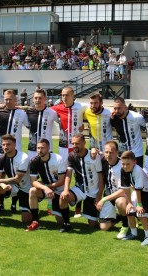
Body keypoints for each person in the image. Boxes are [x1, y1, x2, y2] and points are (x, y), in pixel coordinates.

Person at [0, 134, 31, 228]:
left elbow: (17, 179)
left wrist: (1, 181)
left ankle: (33, 206)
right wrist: (3, 185)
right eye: (3, 144)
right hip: (12, 187)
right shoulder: (0, 158)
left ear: (14, 145)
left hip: (26, 189)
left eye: (8, 144)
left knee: (26, 220)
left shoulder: (23, 157)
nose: (5, 147)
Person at [51, 87, 86, 218]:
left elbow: (94, 111)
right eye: (62, 95)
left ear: (73, 95)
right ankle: (56, 204)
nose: (64, 97)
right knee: (61, 175)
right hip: (63, 148)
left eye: (67, 95)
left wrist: (85, 125)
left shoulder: (81, 106)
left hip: (77, 147)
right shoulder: (57, 108)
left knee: (80, 175)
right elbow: (41, 108)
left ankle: (78, 207)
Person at [0, 90, 29, 213]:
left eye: (10, 99)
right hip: (0, 150)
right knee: (0, 175)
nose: (8, 101)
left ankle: (14, 204)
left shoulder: (22, 113)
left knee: (15, 176)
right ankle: (1, 203)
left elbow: (29, 124)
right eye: (6, 99)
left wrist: (23, 106)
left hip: (16, 151)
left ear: (16, 100)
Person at [59, 134, 104, 232]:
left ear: (84, 143)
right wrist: (66, 190)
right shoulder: (71, 156)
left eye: (77, 143)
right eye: (73, 143)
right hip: (79, 189)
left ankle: (104, 214)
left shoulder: (93, 156)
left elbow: (101, 177)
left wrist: (99, 195)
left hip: (93, 192)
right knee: (63, 197)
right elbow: (68, 174)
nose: (74, 145)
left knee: (92, 225)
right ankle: (66, 224)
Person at [26, 139, 67, 231]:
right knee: (32, 190)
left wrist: (48, 187)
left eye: (42, 148)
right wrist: (45, 188)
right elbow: (33, 182)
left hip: (59, 190)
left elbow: (61, 181)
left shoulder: (57, 159)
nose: (39, 150)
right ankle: (35, 221)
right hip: (47, 188)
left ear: (48, 148)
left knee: (60, 221)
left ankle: (56, 207)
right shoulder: (34, 161)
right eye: (38, 148)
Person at [119, 151, 148, 246]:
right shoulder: (122, 170)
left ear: (134, 162)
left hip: (146, 192)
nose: (125, 166)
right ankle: (134, 233)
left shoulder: (138, 170)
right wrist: (129, 203)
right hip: (136, 191)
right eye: (123, 164)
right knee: (129, 212)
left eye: (128, 164)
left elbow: (139, 190)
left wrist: (139, 205)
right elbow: (126, 188)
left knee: (140, 214)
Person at [95, 141, 129, 236]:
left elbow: (124, 190)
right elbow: (93, 153)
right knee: (103, 227)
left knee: (120, 202)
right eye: (106, 152)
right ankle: (119, 217)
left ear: (117, 152)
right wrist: (99, 197)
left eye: (111, 152)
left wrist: (104, 199)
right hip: (109, 195)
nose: (108, 155)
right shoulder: (103, 161)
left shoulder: (123, 166)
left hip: (122, 196)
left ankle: (126, 225)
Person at [111, 97, 145, 167]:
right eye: (115, 108)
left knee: (137, 176)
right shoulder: (113, 118)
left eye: (119, 108)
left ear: (125, 107)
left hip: (136, 154)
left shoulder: (137, 117)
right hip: (122, 154)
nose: (117, 111)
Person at [25, 89, 58, 159]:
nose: (37, 100)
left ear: (45, 99)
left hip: (47, 148)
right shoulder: (28, 112)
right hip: (32, 149)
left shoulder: (52, 112)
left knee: (47, 169)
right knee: (32, 169)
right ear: (33, 99)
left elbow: (61, 122)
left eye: (40, 98)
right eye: (36, 98)